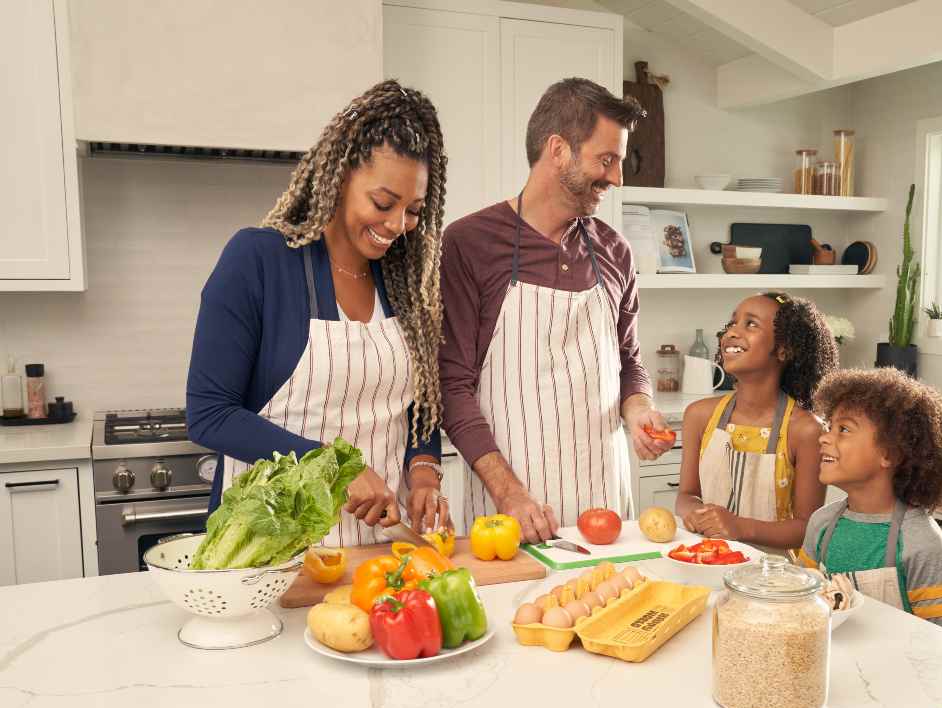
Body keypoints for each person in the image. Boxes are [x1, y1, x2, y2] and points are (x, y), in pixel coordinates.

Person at [187, 80, 450, 546]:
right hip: (269, 548)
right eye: (383, 203)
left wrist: (424, 470)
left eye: (413, 211)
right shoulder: (259, 259)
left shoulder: (405, 283)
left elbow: (414, 408)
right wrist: (334, 467)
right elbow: (209, 414)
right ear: (341, 174)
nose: (396, 226)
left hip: (376, 551)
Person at [439, 77, 674, 541]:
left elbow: (630, 362)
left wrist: (639, 407)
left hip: (607, 508)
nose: (617, 178)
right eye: (606, 160)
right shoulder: (470, 243)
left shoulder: (615, 251)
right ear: (558, 150)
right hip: (509, 511)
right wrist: (509, 494)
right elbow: (453, 387)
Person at [798, 368, 942, 634]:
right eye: (829, 427)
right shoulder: (822, 524)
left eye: (844, 429)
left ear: (890, 454)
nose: (824, 437)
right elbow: (799, 602)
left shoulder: (922, 545)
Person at [675, 292, 837, 556]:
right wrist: (695, 512)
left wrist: (739, 527)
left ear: (784, 349)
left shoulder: (805, 430)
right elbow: (686, 495)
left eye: (751, 324)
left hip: (773, 578)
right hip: (705, 559)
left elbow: (807, 528)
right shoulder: (698, 416)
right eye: (732, 323)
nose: (731, 333)